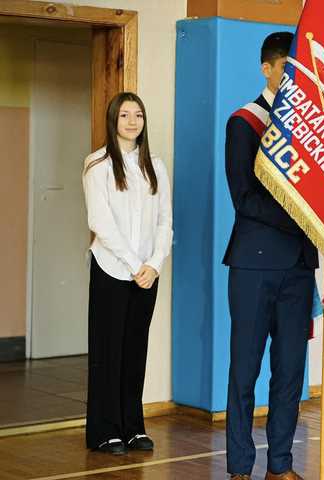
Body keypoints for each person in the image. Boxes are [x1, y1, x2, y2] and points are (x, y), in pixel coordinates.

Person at [223, 31, 318, 480]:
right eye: (288, 69)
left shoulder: (314, 131)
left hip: (298, 268)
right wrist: (303, 219)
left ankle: (280, 466)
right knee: (244, 372)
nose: (296, 78)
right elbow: (244, 197)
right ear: (268, 68)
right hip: (254, 264)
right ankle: (241, 467)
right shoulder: (245, 121)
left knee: (290, 375)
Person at [82, 92, 172, 455]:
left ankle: (133, 428)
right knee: (108, 353)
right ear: (113, 121)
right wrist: (135, 266)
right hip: (112, 270)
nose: (132, 122)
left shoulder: (156, 165)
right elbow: (100, 222)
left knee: (136, 353)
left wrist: (154, 263)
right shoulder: (97, 165)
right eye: (124, 116)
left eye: (138, 115)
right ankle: (105, 431)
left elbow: (165, 219)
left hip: (147, 274)